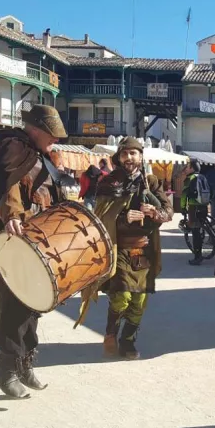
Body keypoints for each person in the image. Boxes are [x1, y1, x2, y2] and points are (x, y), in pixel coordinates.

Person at [0, 104, 67, 399]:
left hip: (36, 241)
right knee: (15, 305)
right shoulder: (12, 146)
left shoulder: (38, 154)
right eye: (52, 134)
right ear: (36, 130)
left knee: (33, 305)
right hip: (13, 241)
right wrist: (12, 214)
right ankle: (4, 368)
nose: (55, 140)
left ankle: (24, 363)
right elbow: (8, 185)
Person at [75, 137, 173, 360]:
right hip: (118, 248)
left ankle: (128, 341)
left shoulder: (151, 182)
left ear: (140, 156)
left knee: (139, 301)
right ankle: (111, 334)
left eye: (133, 153)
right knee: (122, 297)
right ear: (119, 157)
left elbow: (168, 212)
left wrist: (154, 212)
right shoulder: (109, 183)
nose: (129, 158)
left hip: (144, 250)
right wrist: (123, 217)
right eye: (125, 153)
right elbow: (101, 217)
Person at [181, 159, 207, 266]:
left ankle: (198, 256)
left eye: (187, 167)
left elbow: (184, 195)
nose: (186, 169)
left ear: (192, 168)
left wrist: (183, 207)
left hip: (193, 207)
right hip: (204, 206)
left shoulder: (190, 178)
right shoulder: (203, 177)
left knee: (195, 232)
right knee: (200, 229)